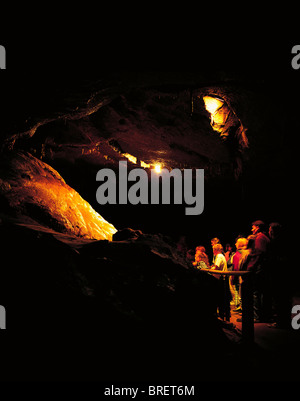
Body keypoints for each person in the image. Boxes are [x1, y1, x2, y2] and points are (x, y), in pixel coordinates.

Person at [244, 220, 271, 322]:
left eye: (253, 227)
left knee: (256, 293)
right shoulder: (266, 237)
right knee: (263, 293)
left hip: (259, 269)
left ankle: (256, 316)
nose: (252, 229)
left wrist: (252, 266)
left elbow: (259, 253)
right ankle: (264, 315)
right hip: (264, 269)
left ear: (258, 227)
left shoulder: (260, 238)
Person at [268, 222, 291, 328]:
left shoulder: (275, 242)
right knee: (285, 298)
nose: (268, 231)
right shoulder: (285, 241)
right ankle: (285, 320)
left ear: (273, 231)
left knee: (279, 298)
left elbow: (272, 259)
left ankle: (281, 322)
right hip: (285, 274)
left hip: (278, 274)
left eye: (270, 229)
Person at [211, 243, 230, 320]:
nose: (213, 251)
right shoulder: (221, 256)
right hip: (222, 279)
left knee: (220, 298)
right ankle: (224, 316)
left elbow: (217, 267)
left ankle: (221, 317)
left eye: (213, 249)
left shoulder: (219, 256)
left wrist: (210, 269)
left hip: (220, 280)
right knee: (223, 299)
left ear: (216, 250)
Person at [231, 237, 248, 311]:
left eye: (236, 243)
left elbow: (235, 267)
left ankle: (241, 307)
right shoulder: (248, 252)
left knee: (240, 292)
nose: (235, 244)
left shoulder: (237, 254)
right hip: (247, 275)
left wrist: (233, 277)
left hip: (240, 276)